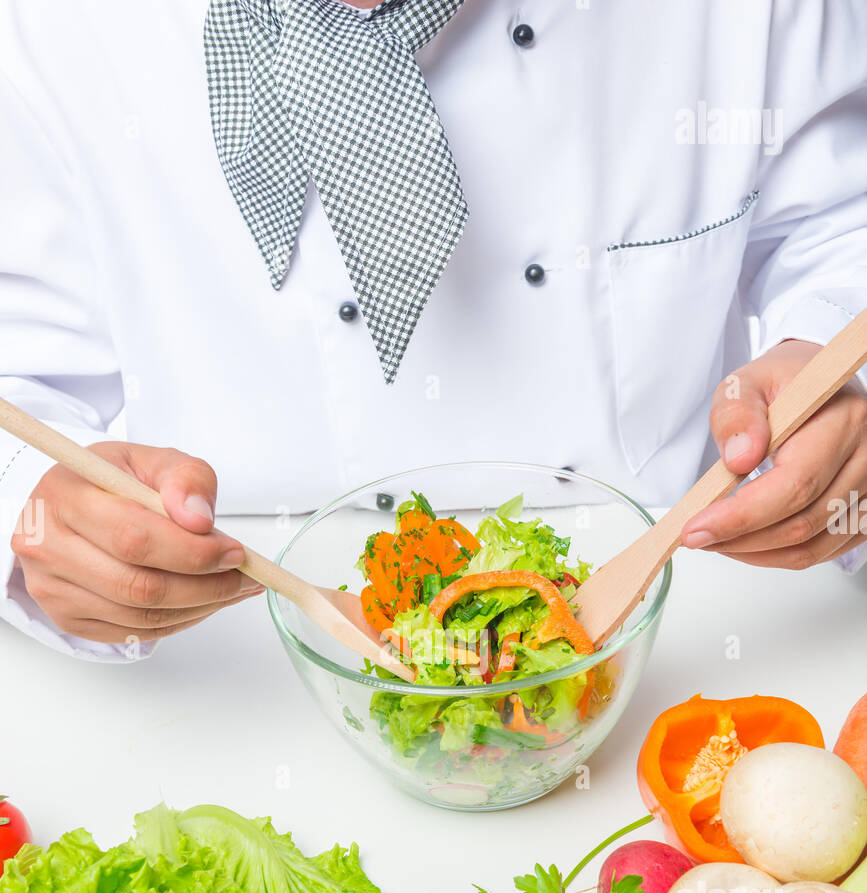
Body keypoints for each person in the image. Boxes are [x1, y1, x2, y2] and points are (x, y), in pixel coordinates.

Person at [0, 0, 865, 661]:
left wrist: (828, 374)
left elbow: (836, 230)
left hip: (696, 622)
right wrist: (39, 522)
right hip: (220, 663)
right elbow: (20, 387)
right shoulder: (47, 29)